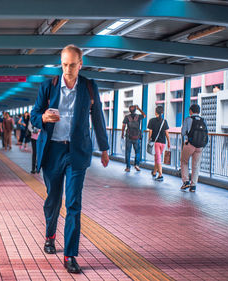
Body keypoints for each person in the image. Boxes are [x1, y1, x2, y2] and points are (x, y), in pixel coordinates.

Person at [30, 44, 110, 274]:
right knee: (53, 200)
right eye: (64, 64)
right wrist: (43, 117)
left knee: (74, 203)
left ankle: (70, 255)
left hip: (77, 152)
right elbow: (34, 115)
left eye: (72, 65)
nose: (67, 69)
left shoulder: (89, 86)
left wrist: (104, 148)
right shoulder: (48, 86)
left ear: (80, 64)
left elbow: (98, 118)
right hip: (53, 151)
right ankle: (50, 235)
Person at [180, 104, 208, 192]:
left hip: (190, 144)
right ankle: (193, 186)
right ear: (199, 111)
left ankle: (186, 182)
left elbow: (183, 132)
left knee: (184, 162)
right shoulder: (203, 120)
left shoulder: (188, 119)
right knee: (196, 166)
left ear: (190, 111)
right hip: (200, 146)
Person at [147, 105, 170, 181]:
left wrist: (149, 139)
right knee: (157, 157)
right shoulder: (164, 121)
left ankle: (160, 175)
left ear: (155, 112)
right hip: (163, 143)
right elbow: (167, 133)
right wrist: (169, 142)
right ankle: (154, 172)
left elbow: (150, 132)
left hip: (156, 142)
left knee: (158, 159)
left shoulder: (152, 120)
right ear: (162, 113)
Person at [121, 105, 146, 172]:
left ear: (129, 110)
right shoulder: (138, 116)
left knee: (128, 152)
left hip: (129, 137)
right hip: (137, 137)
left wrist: (122, 134)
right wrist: (139, 109)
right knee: (137, 152)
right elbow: (144, 115)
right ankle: (136, 165)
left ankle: (128, 167)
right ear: (135, 110)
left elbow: (123, 126)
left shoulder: (127, 117)